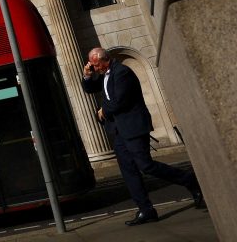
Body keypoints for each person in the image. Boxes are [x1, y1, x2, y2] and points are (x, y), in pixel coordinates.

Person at [81, 47, 205, 226]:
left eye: (94, 64)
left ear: (103, 60)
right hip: (119, 131)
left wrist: (103, 111)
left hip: (133, 127)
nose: (94, 68)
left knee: (145, 166)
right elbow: (90, 88)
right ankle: (146, 210)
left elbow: (119, 101)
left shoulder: (122, 72)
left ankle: (189, 180)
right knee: (129, 172)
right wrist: (86, 75)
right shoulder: (104, 74)